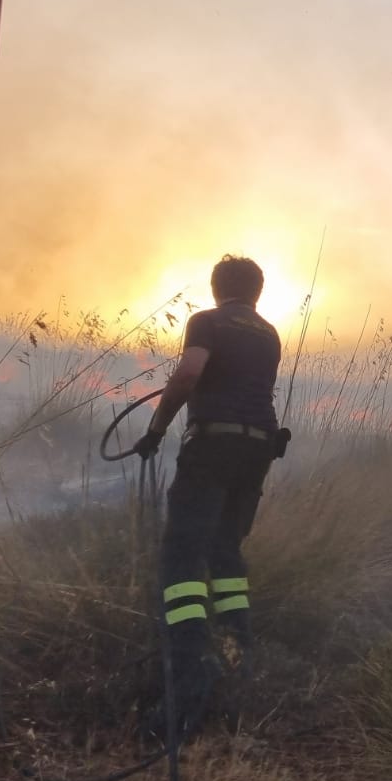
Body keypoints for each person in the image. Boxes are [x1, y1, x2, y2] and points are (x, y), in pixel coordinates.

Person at [133, 255, 281, 738]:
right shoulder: (268, 332)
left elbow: (188, 374)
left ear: (218, 289)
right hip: (258, 447)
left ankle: (193, 672)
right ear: (256, 293)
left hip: (212, 445)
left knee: (181, 561)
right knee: (224, 552)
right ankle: (239, 651)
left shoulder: (207, 321)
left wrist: (156, 430)